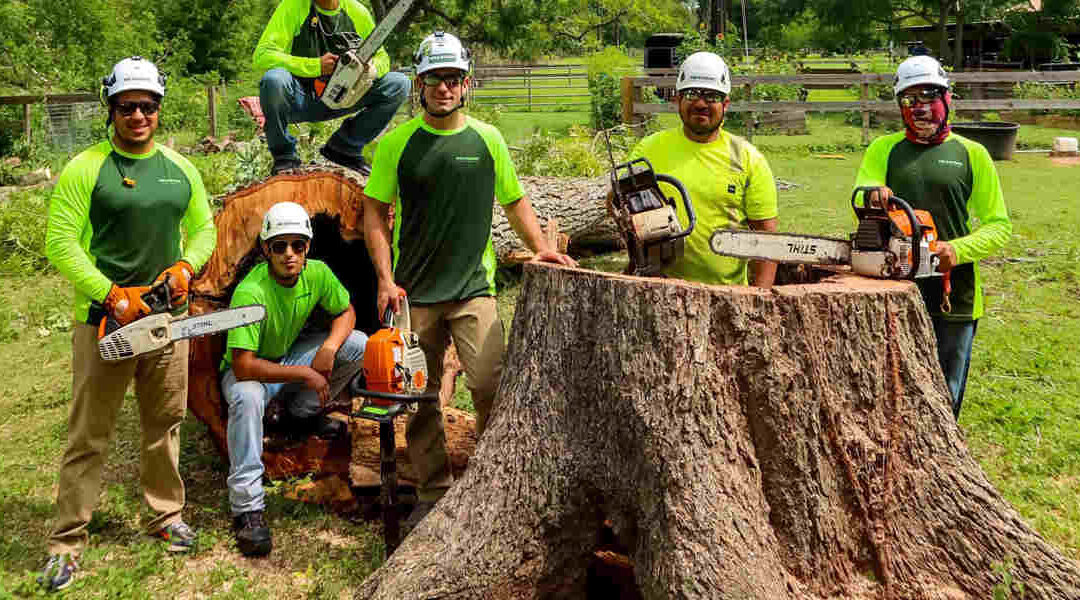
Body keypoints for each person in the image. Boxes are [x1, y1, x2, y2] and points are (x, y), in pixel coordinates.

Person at [361, 31, 577, 530]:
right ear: (420, 83)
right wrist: (384, 279)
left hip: (474, 290)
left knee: (489, 384)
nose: (444, 87)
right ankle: (433, 493)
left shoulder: (487, 140)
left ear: (466, 84)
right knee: (418, 395)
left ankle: (494, 484)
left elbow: (515, 199)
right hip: (413, 294)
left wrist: (542, 245)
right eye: (434, 78)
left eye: (453, 78)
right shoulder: (399, 143)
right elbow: (374, 212)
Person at [41, 56, 216, 591]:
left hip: (167, 322)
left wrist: (186, 267)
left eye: (147, 106)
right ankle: (68, 539)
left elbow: (205, 228)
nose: (138, 115)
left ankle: (165, 514)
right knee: (89, 434)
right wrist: (109, 294)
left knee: (163, 424)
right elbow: (60, 242)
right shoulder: (85, 167)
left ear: (158, 109)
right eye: (127, 107)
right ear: (111, 108)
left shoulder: (180, 168)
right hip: (103, 323)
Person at [854, 55, 1012, 418]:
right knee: (888, 382)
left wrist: (956, 249)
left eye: (928, 96)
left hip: (953, 290)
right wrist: (872, 192)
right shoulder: (884, 149)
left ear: (947, 98)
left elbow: (998, 225)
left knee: (946, 387)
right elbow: (861, 190)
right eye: (910, 99)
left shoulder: (973, 154)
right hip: (893, 284)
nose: (920, 107)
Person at [220, 201, 368, 557]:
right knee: (247, 397)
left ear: (307, 248)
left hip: (287, 357)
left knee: (359, 344)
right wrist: (305, 371)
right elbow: (243, 366)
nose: (289, 254)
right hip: (250, 371)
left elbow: (346, 311)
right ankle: (248, 507)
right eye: (280, 246)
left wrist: (330, 347)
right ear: (266, 250)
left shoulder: (317, 273)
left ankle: (299, 415)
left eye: (297, 245)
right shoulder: (250, 292)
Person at [628, 51, 779, 288]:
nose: (700, 104)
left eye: (711, 96)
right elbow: (615, 204)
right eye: (692, 94)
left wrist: (761, 300)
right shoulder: (648, 150)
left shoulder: (747, 158)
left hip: (729, 298)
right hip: (657, 290)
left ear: (725, 104)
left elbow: (767, 238)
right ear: (678, 99)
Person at [253, 0, 411, 175]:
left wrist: (372, 69)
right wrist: (316, 66)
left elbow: (383, 58)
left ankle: (345, 148)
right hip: (301, 98)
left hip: (347, 94)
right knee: (274, 80)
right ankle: (285, 157)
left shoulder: (356, 11)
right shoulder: (293, 6)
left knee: (399, 83)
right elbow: (262, 55)